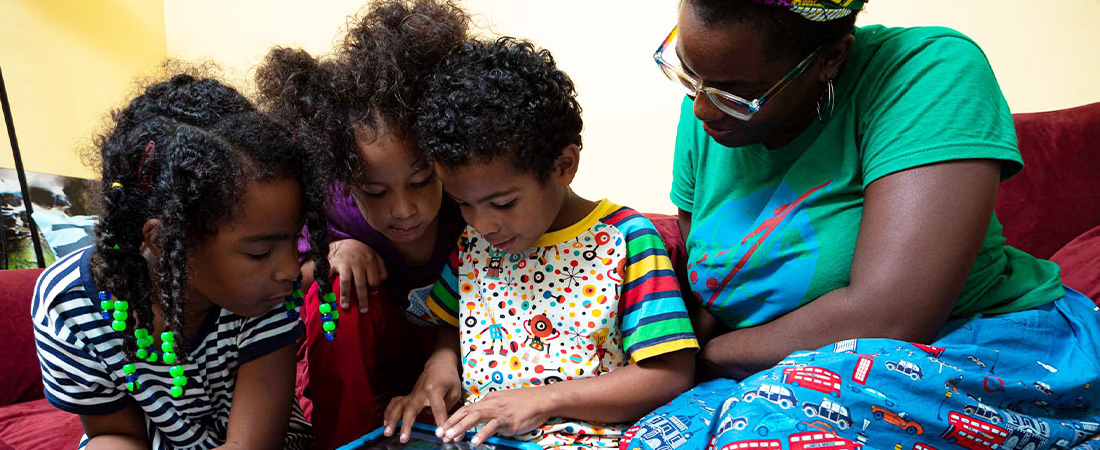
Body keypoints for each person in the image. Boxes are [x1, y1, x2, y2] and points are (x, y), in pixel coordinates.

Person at [622, 1, 1100, 449]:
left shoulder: (927, 71)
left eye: (737, 93)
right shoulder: (711, 108)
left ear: (830, 58)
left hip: (969, 345)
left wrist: (705, 358)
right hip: (766, 361)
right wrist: (660, 361)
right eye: (688, 73)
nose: (703, 107)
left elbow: (891, 317)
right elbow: (709, 285)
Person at [383, 37, 699, 449]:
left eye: (503, 202)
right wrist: (442, 364)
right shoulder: (471, 245)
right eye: (463, 204)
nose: (483, 224)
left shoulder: (626, 240)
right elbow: (451, 323)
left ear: (563, 166)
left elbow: (670, 374)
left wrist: (543, 400)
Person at [31, 70, 329, 449]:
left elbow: (252, 444)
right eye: (259, 251)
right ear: (162, 239)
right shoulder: (68, 305)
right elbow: (114, 433)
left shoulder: (265, 298)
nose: (290, 269)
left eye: (294, 239)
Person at [254, 0, 470, 446]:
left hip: (457, 352)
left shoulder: (472, 203)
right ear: (344, 175)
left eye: (421, 179)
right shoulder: (328, 206)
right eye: (375, 192)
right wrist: (331, 252)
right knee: (338, 287)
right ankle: (344, 440)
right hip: (367, 356)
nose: (404, 209)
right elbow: (281, 281)